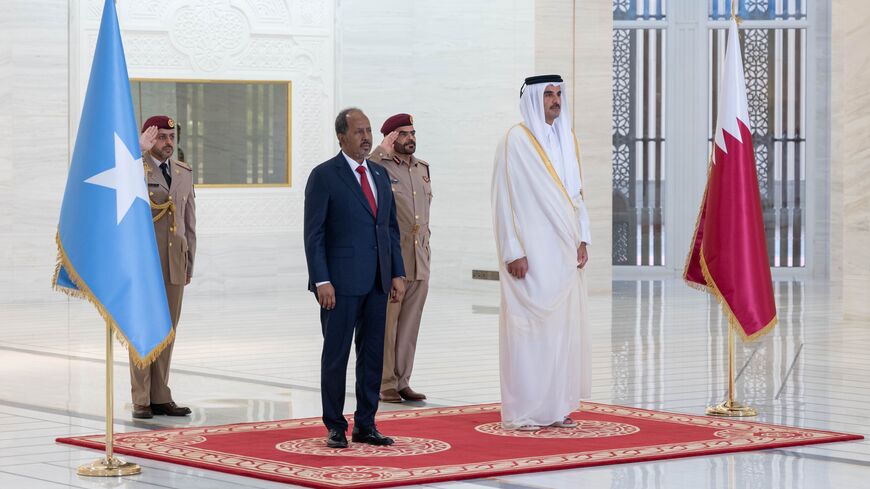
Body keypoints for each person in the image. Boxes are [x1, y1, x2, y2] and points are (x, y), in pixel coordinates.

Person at [490, 75, 592, 430]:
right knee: (528, 330)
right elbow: (504, 200)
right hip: (530, 254)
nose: (555, 100)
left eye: (559, 93)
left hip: (563, 252)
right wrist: (512, 250)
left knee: (561, 331)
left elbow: (576, 196)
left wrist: (583, 238)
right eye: (548, 94)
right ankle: (525, 409)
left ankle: (556, 407)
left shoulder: (567, 138)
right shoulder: (514, 141)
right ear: (533, 99)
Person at [303, 108, 406, 448]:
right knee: (336, 355)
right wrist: (322, 281)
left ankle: (366, 423)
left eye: (368, 131)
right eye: (359, 131)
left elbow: (390, 229)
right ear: (341, 136)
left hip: (377, 282)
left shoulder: (379, 174)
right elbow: (314, 234)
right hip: (339, 285)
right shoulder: (324, 176)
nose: (366, 137)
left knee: (372, 355)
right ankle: (335, 425)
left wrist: (397, 273)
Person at [133, 115, 196, 419]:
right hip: (144, 263)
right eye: (162, 137)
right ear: (149, 138)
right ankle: (141, 398)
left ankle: (160, 394)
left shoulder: (183, 172)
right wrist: (137, 150)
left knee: (167, 330)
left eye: (172, 137)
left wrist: (189, 261)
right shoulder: (135, 168)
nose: (169, 143)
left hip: (174, 262)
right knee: (143, 329)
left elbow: (189, 222)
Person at [368, 113, 432, 403]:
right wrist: (382, 148)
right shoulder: (377, 165)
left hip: (420, 254)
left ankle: (404, 379)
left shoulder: (422, 168)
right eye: (404, 134)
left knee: (410, 322)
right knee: (388, 322)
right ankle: (386, 382)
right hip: (393, 255)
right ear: (392, 137)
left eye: (413, 133)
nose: (411, 139)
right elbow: (364, 175)